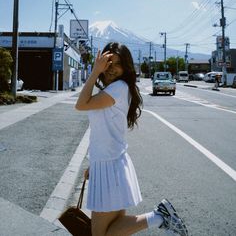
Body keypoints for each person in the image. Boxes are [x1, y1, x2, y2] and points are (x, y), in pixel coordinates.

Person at [75, 42, 188, 236]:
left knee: (100, 234)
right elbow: (105, 132)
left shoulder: (119, 88)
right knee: (111, 231)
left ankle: (159, 217)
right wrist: (93, 164)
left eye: (117, 64)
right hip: (107, 164)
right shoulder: (114, 89)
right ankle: (159, 216)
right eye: (108, 63)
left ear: (126, 67)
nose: (111, 69)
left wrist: (94, 72)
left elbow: (81, 104)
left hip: (110, 167)